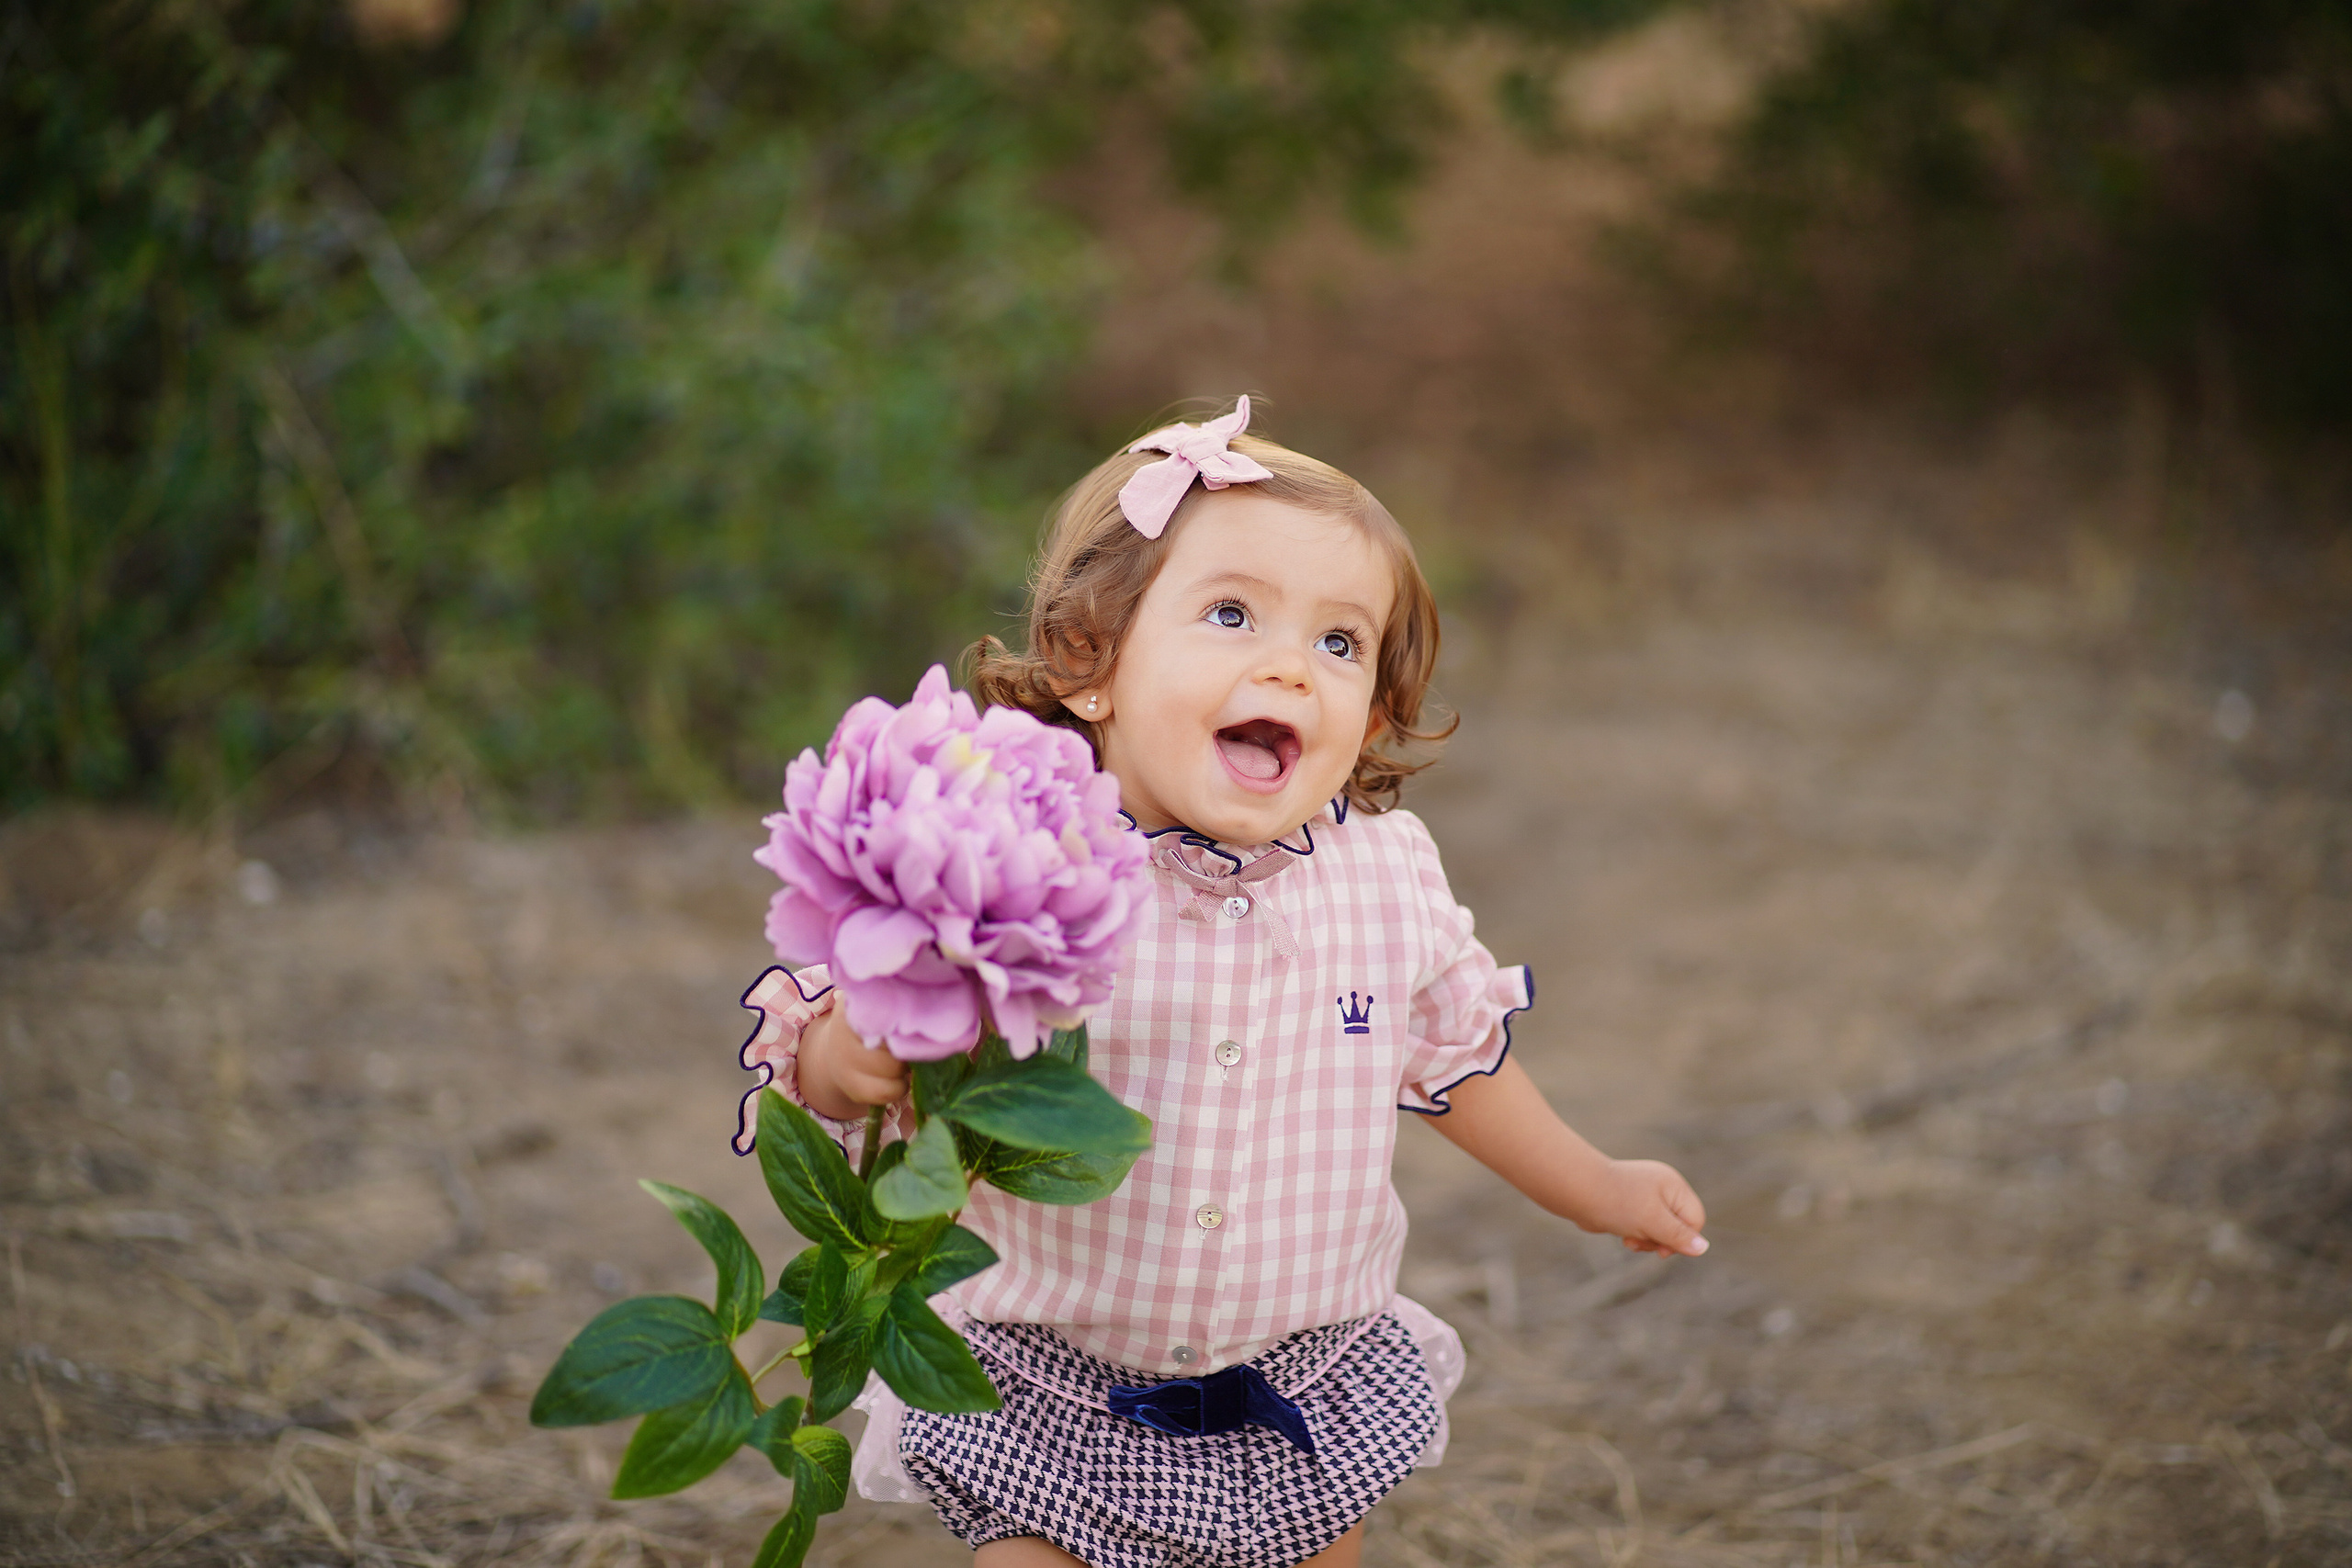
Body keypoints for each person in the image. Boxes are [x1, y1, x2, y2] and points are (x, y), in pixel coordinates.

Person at [742, 398, 1707, 1568]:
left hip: (1301, 1379)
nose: (1289, 668)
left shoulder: (1383, 876)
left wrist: (1596, 1185)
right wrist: (855, 1056)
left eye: (1340, 644)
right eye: (1232, 613)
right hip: (1045, 1383)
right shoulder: (1020, 853)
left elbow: (1455, 1062)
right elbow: (851, 1027)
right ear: (1092, 663)